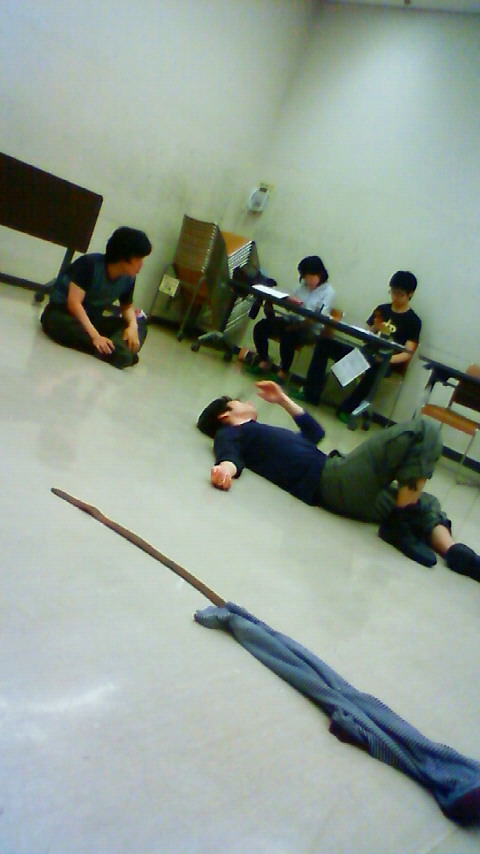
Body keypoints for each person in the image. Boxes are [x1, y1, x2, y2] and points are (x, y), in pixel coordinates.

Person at [197, 380, 480, 583]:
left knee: (425, 501)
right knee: (424, 430)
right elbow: (229, 456)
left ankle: (452, 550)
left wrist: (283, 399)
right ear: (226, 414)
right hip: (332, 479)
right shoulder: (232, 433)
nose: (247, 401)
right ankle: (401, 522)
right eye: (239, 401)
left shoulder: (259, 431)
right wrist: (224, 470)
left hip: (343, 488)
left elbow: (315, 433)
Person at [299, 271, 421, 414]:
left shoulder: (413, 321)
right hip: (366, 352)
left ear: (410, 294)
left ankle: (347, 410)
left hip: (386, 362)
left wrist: (387, 359)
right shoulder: (382, 309)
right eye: (393, 292)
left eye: (400, 294)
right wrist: (375, 327)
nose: (395, 297)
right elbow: (365, 336)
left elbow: (408, 353)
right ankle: (311, 393)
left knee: (374, 367)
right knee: (324, 344)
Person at [41, 226, 152, 368]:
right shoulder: (89, 264)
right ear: (124, 256)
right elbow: (74, 303)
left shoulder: (129, 278)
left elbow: (127, 306)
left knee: (140, 324)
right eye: (139, 259)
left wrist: (132, 326)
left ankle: (112, 350)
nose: (141, 265)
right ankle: (118, 352)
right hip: (64, 314)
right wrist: (95, 336)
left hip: (93, 320)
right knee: (59, 324)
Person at [250, 256, 335, 382]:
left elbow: (318, 318)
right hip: (292, 320)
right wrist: (288, 302)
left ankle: (283, 372)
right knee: (261, 326)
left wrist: (297, 325)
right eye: (304, 277)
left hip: (310, 329)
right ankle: (264, 361)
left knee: (288, 335)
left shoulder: (328, 292)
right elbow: (292, 302)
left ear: (319, 273)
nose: (306, 280)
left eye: (309, 276)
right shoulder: (303, 286)